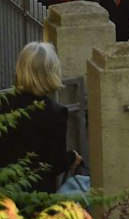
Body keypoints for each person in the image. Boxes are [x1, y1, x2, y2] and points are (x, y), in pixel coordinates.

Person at [0, 43, 78, 193]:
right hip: (36, 197)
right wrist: (72, 157)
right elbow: (56, 164)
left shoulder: (4, 104)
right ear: (51, 73)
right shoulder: (56, 112)